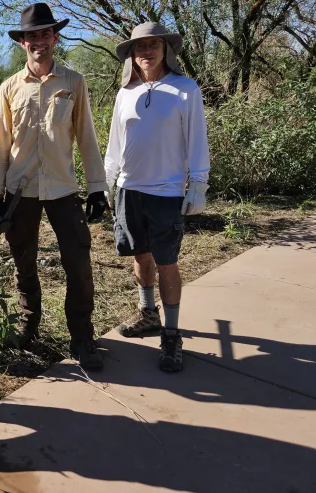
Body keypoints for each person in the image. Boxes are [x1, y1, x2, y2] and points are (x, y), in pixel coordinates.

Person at [0, 2, 108, 371]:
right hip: (20, 191)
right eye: (31, 36)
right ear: (22, 42)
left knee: (78, 263)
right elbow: (1, 143)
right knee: (23, 261)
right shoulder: (9, 88)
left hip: (63, 189)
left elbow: (86, 137)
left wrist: (97, 187)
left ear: (55, 37)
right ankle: (28, 325)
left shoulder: (74, 82)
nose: (38, 41)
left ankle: (82, 337)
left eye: (44, 33)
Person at [104, 22, 210, 372]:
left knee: (167, 262)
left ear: (166, 50)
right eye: (139, 47)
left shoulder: (185, 89)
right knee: (139, 254)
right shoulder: (125, 93)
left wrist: (198, 184)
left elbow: (197, 140)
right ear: (131, 55)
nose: (146, 52)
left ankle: (172, 333)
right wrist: (108, 180)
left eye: (153, 45)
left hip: (166, 192)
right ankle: (148, 315)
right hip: (130, 189)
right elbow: (116, 144)